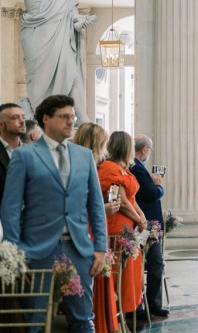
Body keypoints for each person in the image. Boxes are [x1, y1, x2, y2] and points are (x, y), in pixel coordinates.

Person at [0, 95, 106, 332]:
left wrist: (100, 247)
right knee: (34, 321)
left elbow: (96, 205)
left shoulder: (84, 155)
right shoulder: (24, 155)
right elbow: (11, 207)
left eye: (73, 117)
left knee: (83, 319)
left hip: (78, 249)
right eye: (64, 117)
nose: (71, 122)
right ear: (46, 119)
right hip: (36, 250)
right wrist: (14, 253)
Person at [0, 0, 96, 123]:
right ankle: (44, 117)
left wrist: (80, 21)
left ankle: (84, 120)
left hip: (61, 39)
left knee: (73, 75)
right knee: (38, 83)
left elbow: (73, 15)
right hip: (37, 40)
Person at [72, 123, 120, 333]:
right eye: (102, 143)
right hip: (84, 228)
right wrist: (103, 207)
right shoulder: (77, 163)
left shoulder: (92, 162)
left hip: (94, 228)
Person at [98, 131, 146, 319]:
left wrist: (141, 216)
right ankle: (118, 319)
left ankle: (126, 314)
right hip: (117, 226)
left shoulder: (124, 168)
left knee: (131, 273)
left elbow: (132, 200)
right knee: (121, 275)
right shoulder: (109, 168)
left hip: (129, 225)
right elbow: (122, 202)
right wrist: (138, 219)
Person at [130, 134, 170, 318]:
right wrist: (159, 185)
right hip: (145, 225)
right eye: (150, 149)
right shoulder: (137, 169)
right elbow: (151, 194)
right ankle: (150, 305)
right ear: (144, 149)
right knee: (155, 264)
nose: (149, 152)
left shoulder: (138, 168)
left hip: (146, 224)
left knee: (148, 263)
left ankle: (144, 305)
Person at [0, 103, 26, 207]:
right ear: (1, 125)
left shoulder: (33, 151)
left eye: (23, 117)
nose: (22, 121)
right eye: (15, 118)